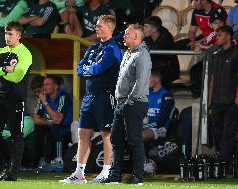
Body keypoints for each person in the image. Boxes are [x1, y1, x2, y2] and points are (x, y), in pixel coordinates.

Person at [60, 14, 122, 183]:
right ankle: (79, 173)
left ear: (110, 28)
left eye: (100, 25)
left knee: (106, 134)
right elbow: (80, 68)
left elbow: (98, 69)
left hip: (105, 96)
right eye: (96, 25)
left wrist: (90, 69)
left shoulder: (113, 49)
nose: (96, 28)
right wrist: (91, 69)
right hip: (89, 97)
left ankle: (107, 171)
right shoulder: (93, 48)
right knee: (83, 133)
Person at [104, 24, 152, 185]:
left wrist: (129, 101)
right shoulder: (128, 53)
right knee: (116, 139)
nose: (124, 36)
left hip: (134, 103)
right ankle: (115, 175)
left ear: (137, 37)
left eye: (127, 34)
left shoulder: (142, 55)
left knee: (134, 140)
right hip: (122, 102)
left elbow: (140, 81)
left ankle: (138, 176)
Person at [0, 21, 32, 181]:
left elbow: (17, 76)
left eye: (10, 34)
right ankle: (8, 164)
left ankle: (13, 172)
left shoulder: (25, 53)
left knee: (16, 135)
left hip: (15, 98)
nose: (7, 37)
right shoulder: (0, 51)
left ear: (19, 35)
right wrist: (6, 69)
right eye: (6, 33)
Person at [208, 25, 238, 162]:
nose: (217, 38)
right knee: (217, 132)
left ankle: (223, 161)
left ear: (228, 36)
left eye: (220, 35)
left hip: (231, 102)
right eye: (216, 35)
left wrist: (237, 101)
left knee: (228, 133)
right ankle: (224, 159)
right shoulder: (216, 56)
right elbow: (212, 80)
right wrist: (209, 101)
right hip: (217, 101)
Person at [34, 75, 72, 172]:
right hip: (51, 126)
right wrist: (49, 122)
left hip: (65, 129)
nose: (44, 87)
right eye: (44, 85)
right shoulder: (43, 97)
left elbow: (58, 119)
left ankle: (59, 161)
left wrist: (45, 103)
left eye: (47, 84)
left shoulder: (63, 97)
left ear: (55, 86)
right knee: (38, 128)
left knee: (56, 127)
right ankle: (41, 161)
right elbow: (36, 119)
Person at [143, 16, 180, 85]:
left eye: (146, 27)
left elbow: (155, 53)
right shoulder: (147, 37)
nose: (143, 29)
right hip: (156, 67)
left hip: (168, 70)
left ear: (154, 29)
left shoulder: (166, 38)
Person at [142, 71, 176, 141]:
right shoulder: (147, 95)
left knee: (138, 136)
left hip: (161, 128)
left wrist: (144, 126)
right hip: (146, 127)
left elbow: (161, 122)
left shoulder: (166, 96)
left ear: (157, 79)